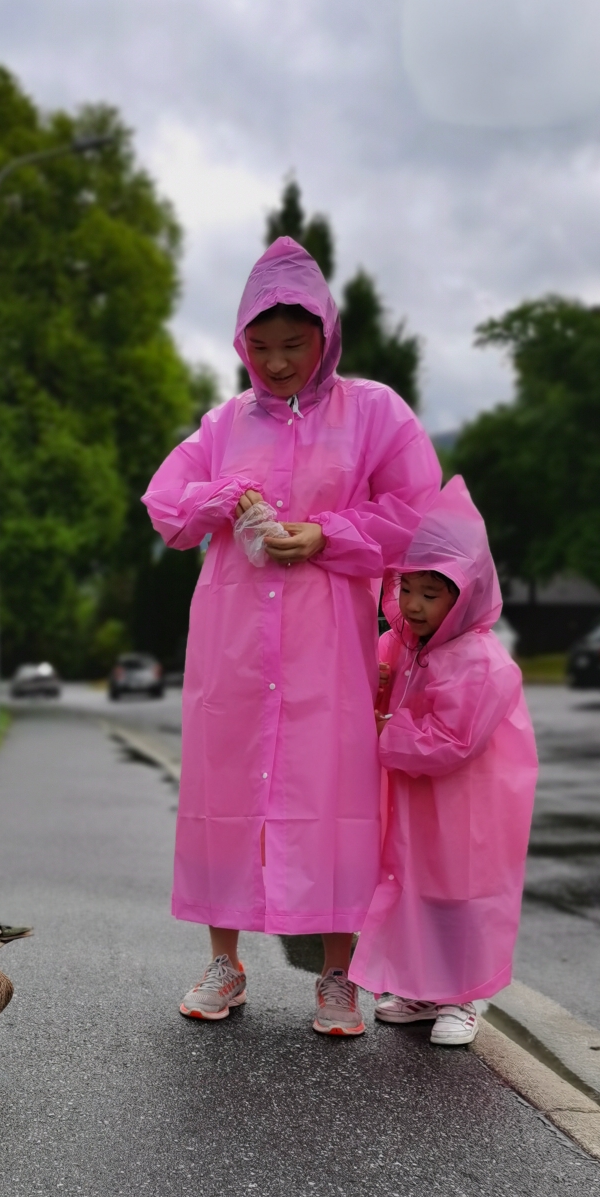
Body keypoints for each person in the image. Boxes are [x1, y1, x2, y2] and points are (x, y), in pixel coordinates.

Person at [142, 236, 440, 1035]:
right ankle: (223, 960)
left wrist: (326, 535)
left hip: (325, 649)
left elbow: (415, 509)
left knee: (335, 797)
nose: (277, 363)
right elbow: (167, 506)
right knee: (225, 793)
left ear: (326, 337)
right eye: (262, 347)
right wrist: (221, 498)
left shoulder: (374, 410)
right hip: (234, 647)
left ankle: (338, 976)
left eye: (294, 345)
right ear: (242, 346)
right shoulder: (223, 422)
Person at [349, 476, 538, 1045]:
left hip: (468, 801)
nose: (413, 605)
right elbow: (370, 691)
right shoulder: (400, 646)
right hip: (415, 799)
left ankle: (462, 995)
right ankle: (418, 985)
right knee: (414, 882)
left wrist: (383, 728)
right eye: (407, 589)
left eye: (431, 594)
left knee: (463, 887)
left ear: (466, 594)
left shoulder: (481, 661)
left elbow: (450, 741)